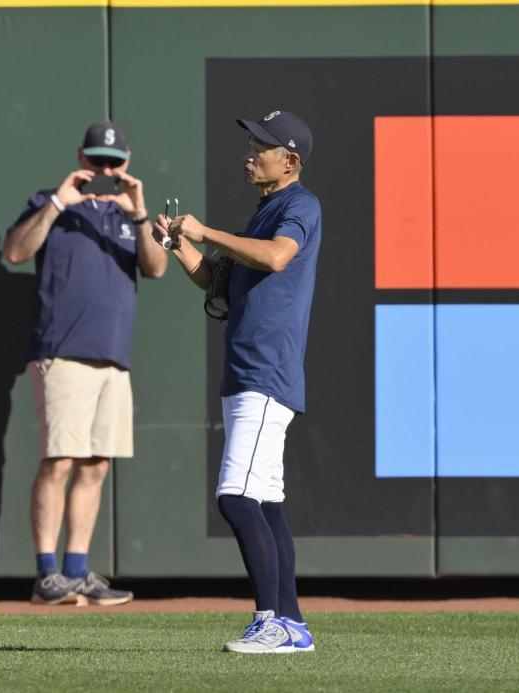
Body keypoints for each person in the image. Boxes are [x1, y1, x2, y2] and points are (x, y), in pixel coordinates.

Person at [158, 110, 320, 653]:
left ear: (290, 161)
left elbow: (277, 258)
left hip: (265, 372)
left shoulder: (299, 204)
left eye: (262, 147)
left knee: (234, 498)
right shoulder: (263, 211)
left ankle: (270, 620)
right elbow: (216, 283)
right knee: (266, 502)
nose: (250, 154)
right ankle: (292, 623)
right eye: (251, 144)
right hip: (248, 370)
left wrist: (206, 231)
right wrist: (180, 244)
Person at [4, 121, 168, 606]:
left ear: (128, 163)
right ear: (81, 158)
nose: (105, 170)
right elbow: (14, 252)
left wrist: (139, 212)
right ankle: (47, 575)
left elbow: (157, 268)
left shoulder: (128, 214)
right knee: (59, 461)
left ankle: (76, 571)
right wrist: (59, 201)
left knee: (95, 466)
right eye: (97, 161)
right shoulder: (49, 204)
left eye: (114, 162)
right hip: (62, 352)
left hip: (113, 358)